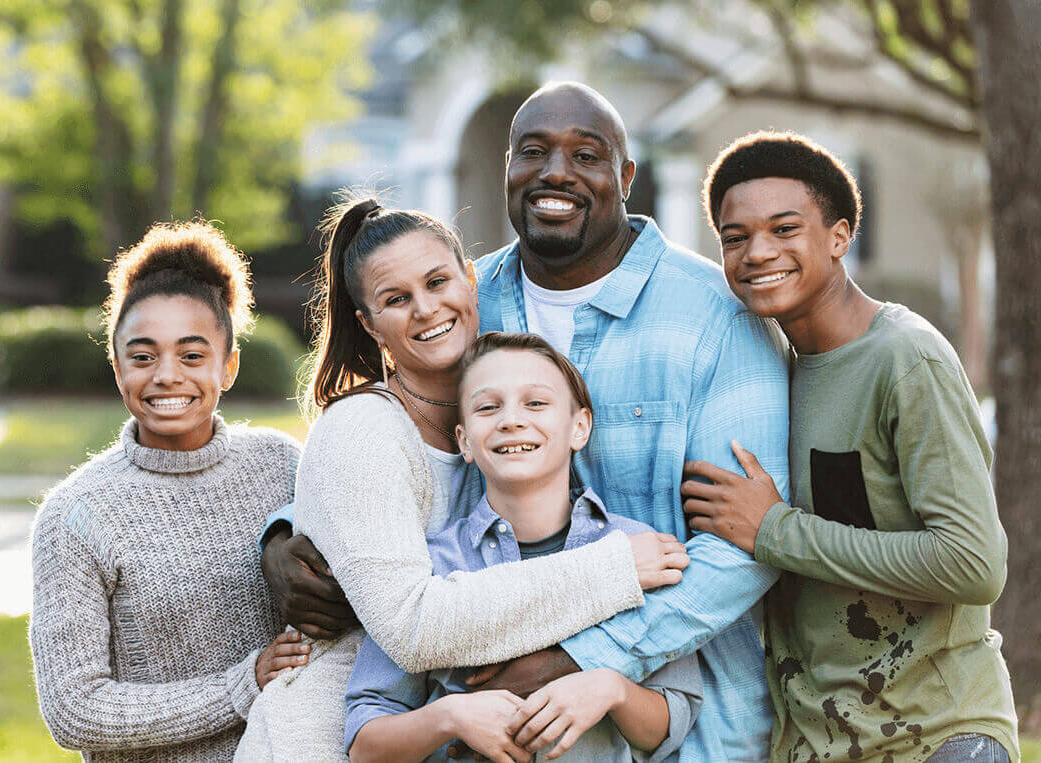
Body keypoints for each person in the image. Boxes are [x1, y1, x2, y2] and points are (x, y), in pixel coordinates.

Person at [235, 199, 689, 761]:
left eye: (437, 281)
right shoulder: (362, 428)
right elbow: (413, 627)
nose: (426, 309)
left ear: (471, 280)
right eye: (396, 299)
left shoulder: (494, 404)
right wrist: (617, 567)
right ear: (369, 324)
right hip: (324, 736)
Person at [457, 82, 790, 761]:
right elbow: (390, 433)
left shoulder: (716, 316)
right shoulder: (462, 302)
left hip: (688, 735)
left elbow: (741, 550)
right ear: (507, 169)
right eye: (533, 151)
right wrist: (292, 528)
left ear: (625, 177)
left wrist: (581, 656)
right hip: (485, 722)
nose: (555, 172)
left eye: (586, 154)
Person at [683, 131, 1018, 762]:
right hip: (815, 743)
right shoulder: (761, 370)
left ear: (840, 237)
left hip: (939, 736)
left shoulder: (905, 360)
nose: (758, 253)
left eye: (785, 229)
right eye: (735, 238)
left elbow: (975, 564)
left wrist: (776, 531)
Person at [345, 331, 703, 763]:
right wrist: (449, 715)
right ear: (464, 441)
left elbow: (672, 720)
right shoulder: (434, 568)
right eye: (487, 407)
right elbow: (365, 744)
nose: (511, 420)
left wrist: (609, 688)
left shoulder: (636, 552)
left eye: (536, 403)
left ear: (579, 427)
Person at [29, 221, 309, 761]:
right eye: (142, 356)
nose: (166, 376)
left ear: (228, 365)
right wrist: (239, 687)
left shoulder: (282, 466)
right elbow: (74, 710)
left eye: (191, 355)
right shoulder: (77, 516)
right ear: (117, 369)